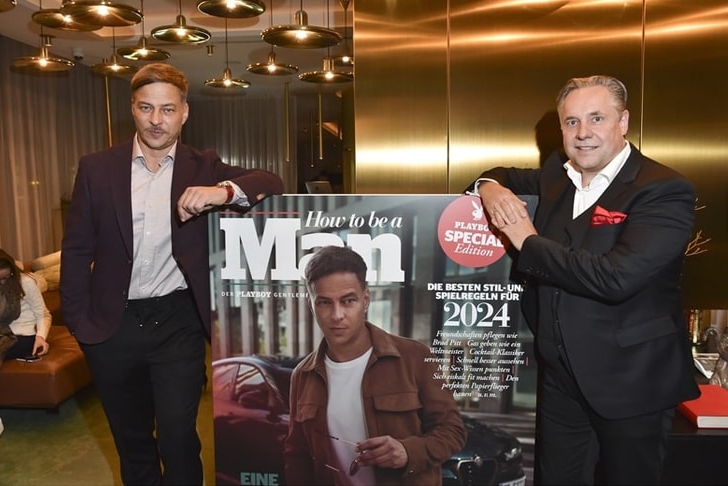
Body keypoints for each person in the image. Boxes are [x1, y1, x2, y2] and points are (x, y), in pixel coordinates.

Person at [60, 63, 283, 486]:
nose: (156, 120)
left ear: (184, 112)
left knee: (178, 437)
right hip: (111, 325)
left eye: (167, 109)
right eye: (146, 108)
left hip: (177, 322)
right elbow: (76, 249)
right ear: (133, 108)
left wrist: (222, 192)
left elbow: (271, 181)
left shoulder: (204, 166)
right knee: (132, 441)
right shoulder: (97, 168)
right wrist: (78, 321)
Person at [470, 75, 699, 485]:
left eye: (596, 118)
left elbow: (615, 277)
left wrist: (526, 240)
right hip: (561, 382)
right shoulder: (556, 176)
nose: (583, 133)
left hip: (632, 382)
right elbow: (493, 175)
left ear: (623, 121)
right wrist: (490, 189)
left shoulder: (663, 189)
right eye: (572, 121)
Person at [284, 245, 466, 485]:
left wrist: (408, 451)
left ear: (365, 300)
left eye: (348, 301)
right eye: (325, 303)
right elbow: (297, 456)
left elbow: (453, 430)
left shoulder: (414, 357)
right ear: (311, 305)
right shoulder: (302, 375)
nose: (337, 315)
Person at [0, 247, 51, 447]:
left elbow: (43, 314)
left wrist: (41, 337)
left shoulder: (25, 282)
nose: (3, 282)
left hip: (20, 336)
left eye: (6, 277)